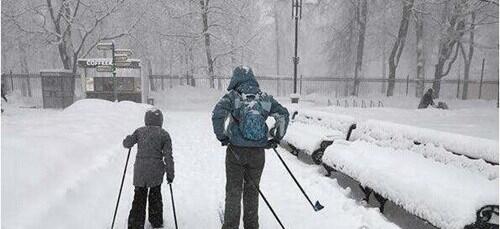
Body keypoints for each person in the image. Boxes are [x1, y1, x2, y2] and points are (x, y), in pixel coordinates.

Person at [211, 66, 290, 229]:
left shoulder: (233, 96)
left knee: (233, 191)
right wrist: (276, 137)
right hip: (257, 154)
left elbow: (218, 114)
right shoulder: (265, 98)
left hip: (235, 152)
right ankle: (251, 225)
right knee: (252, 191)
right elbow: (283, 115)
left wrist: (222, 136)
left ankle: (231, 226)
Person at [123, 108, 174, 229]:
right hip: (156, 172)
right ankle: (156, 220)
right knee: (155, 195)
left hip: (140, 171)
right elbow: (168, 156)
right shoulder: (164, 134)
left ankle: (135, 223)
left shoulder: (139, 132)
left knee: (139, 197)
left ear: (146, 119)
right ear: (160, 120)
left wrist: (128, 139)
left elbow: (127, 144)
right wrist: (170, 174)